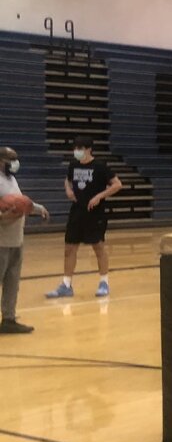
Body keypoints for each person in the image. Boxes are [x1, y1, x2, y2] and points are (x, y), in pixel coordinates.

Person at [47, 136, 122, 299]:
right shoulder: (73, 165)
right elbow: (67, 180)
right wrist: (68, 190)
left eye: (80, 148)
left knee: (98, 247)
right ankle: (66, 285)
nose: (77, 151)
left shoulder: (100, 166)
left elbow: (117, 184)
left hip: (95, 213)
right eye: (76, 148)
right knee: (69, 248)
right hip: (77, 211)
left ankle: (104, 282)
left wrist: (99, 196)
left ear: (89, 149)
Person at [0, 147, 50, 333]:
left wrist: (39, 208)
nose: (15, 163)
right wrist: (2, 216)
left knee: (13, 282)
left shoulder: (11, 179)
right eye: (11, 159)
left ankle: (9, 319)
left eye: (16, 159)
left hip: (16, 239)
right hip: (1, 241)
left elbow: (21, 202)